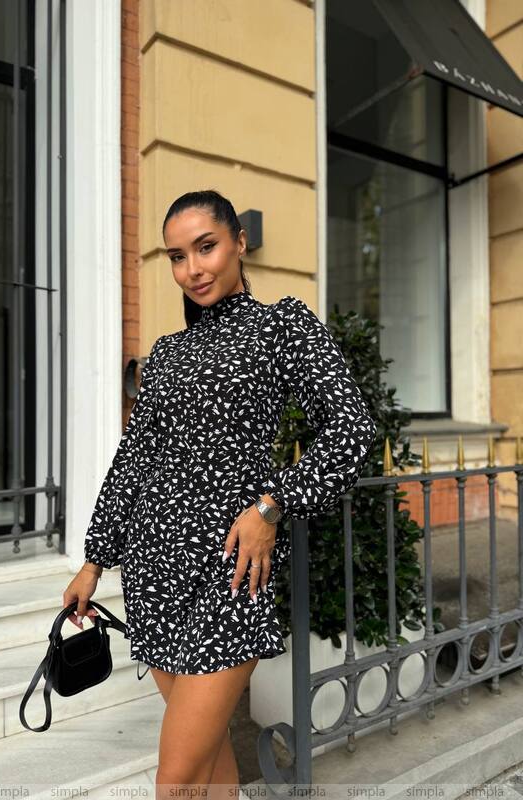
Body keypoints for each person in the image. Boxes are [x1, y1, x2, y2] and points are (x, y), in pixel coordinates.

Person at [63, 189, 376, 799]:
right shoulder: (169, 353)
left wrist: (272, 504)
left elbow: (353, 428)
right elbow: (134, 461)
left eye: (205, 247)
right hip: (154, 573)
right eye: (177, 256)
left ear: (238, 242)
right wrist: (95, 560)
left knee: (174, 779)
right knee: (207, 768)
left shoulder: (281, 325)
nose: (193, 268)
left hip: (232, 573)